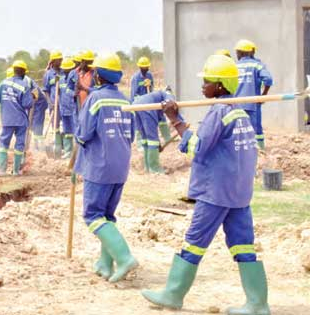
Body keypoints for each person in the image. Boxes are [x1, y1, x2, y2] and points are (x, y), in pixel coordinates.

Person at [143, 55, 268, 315]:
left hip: (216, 192)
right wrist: (180, 120)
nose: (203, 86)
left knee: (194, 242)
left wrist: (175, 119)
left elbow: (197, 148)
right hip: (238, 193)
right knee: (244, 245)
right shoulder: (239, 113)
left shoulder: (220, 113)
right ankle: (257, 304)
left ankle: (173, 294)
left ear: (220, 86)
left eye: (207, 81)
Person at [73, 52, 138, 284]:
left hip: (99, 166)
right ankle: (105, 263)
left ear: (98, 75)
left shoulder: (95, 99)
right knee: (107, 216)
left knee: (92, 215)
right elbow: (130, 135)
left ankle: (124, 257)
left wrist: (78, 138)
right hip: (121, 166)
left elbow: (83, 133)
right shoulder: (125, 100)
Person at [0, 62, 33, 175]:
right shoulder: (24, 86)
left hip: (7, 119)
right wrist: (33, 97)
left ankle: (1, 170)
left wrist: (7, 104)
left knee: (3, 142)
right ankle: (16, 171)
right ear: (22, 72)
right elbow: (28, 104)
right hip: (20, 120)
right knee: (19, 144)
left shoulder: (3, 83)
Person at [233, 40, 273, 150]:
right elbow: (268, 79)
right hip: (252, 104)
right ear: (252, 52)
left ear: (239, 53)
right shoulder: (257, 65)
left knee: (239, 129)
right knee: (256, 129)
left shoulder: (234, 67)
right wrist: (264, 95)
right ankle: (260, 150)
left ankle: (242, 150)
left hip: (236, 105)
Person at [131, 89, 177, 174]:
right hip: (147, 106)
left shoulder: (157, 101)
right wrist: (156, 144)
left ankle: (147, 166)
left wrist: (161, 142)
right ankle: (155, 168)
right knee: (152, 140)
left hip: (136, 105)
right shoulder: (165, 94)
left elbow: (161, 123)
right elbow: (170, 100)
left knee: (145, 138)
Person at [54, 58, 77, 158]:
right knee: (67, 130)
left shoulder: (75, 80)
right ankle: (68, 150)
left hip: (73, 108)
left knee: (75, 130)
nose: (66, 71)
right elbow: (58, 93)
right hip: (63, 108)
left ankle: (76, 152)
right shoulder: (61, 79)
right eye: (65, 69)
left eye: (68, 69)